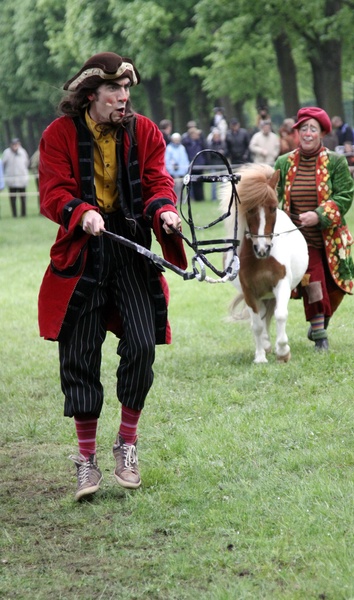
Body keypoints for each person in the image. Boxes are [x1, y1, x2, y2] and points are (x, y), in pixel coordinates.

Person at [38, 52, 187, 501]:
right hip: (84, 249)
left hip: (129, 247)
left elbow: (159, 181)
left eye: (127, 90)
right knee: (80, 353)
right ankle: (86, 461)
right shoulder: (59, 134)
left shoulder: (145, 132)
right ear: (91, 95)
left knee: (142, 343)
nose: (123, 98)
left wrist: (164, 211)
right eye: (113, 92)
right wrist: (79, 212)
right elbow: (52, 192)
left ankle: (127, 444)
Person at [275, 107, 354, 352]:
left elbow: (345, 195)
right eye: (303, 129)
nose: (307, 133)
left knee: (335, 288)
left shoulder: (335, 161)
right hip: (299, 239)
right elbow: (271, 195)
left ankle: (320, 321)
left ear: (322, 133)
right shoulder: (284, 162)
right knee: (313, 281)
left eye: (313, 129)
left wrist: (319, 215)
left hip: (331, 237)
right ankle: (320, 336)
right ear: (297, 132)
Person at [2, 138, 30, 217]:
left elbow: (26, 163)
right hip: (11, 180)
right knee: (13, 199)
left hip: (22, 180)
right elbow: (3, 164)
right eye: (13, 144)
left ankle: (23, 214)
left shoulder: (23, 152)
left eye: (16, 144)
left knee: (23, 198)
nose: (15, 146)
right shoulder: (7, 153)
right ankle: (14, 214)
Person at [181, 126, 206, 200]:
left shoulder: (200, 142)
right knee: (192, 183)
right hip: (192, 165)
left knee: (200, 182)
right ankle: (192, 197)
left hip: (200, 164)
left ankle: (200, 197)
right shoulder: (187, 144)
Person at [165, 132, 190, 198]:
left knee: (182, 186)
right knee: (176, 186)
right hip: (173, 172)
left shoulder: (182, 148)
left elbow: (185, 159)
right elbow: (167, 160)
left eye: (178, 139)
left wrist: (186, 169)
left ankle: (181, 199)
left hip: (182, 171)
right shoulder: (169, 148)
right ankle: (175, 199)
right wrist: (171, 170)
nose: (176, 141)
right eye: (175, 139)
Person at [205, 128, 227, 200]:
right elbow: (210, 153)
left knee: (223, 182)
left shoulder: (223, 143)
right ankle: (214, 198)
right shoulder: (210, 144)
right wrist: (218, 152)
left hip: (222, 165)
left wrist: (222, 152)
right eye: (215, 136)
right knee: (214, 182)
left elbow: (226, 151)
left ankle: (223, 197)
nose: (217, 137)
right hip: (214, 164)